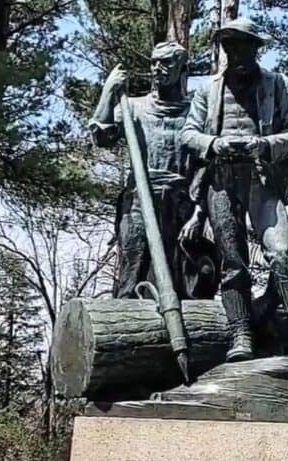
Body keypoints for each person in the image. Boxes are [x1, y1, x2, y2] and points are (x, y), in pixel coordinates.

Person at [179, 18, 288, 362]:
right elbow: (188, 133)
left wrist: (267, 145)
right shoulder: (208, 91)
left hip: (264, 179)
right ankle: (240, 334)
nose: (235, 52)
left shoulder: (278, 85)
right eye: (229, 46)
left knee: (282, 250)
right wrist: (214, 145)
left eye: (242, 45)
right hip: (222, 181)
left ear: (256, 48)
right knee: (233, 263)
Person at [90, 42, 218, 300]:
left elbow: (208, 166)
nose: (157, 68)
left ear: (182, 69)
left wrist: (199, 212)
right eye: (153, 62)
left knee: (184, 276)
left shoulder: (196, 112)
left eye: (166, 62)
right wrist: (109, 91)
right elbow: (101, 137)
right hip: (140, 198)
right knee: (133, 268)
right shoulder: (134, 107)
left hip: (182, 201)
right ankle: (126, 330)